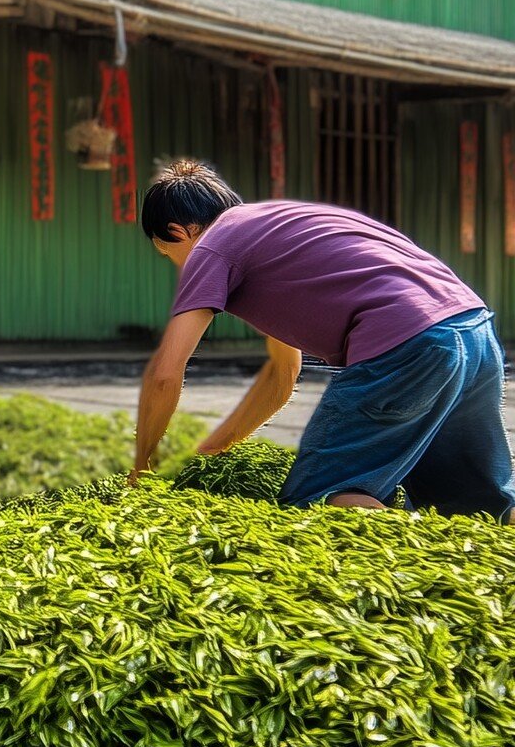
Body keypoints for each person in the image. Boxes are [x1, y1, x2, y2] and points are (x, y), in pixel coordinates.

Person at [130, 158, 514, 518]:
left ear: (180, 232)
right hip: (472, 329)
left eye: (168, 253)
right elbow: (283, 373)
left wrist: (143, 465)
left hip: (406, 344)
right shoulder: (273, 228)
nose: (179, 265)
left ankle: (418, 559)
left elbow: (165, 373)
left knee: (321, 499)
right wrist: (218, 445)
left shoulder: (213, 246)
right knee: (476, 503)